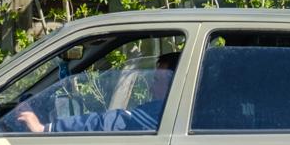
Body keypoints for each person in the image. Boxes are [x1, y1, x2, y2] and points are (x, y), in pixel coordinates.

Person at [12, 51, 177, 133]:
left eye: (156, 81)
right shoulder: (183, 113)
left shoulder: (163, 112)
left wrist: (46, 129)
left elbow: (110, 122)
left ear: (175, 83)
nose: (151, 87)